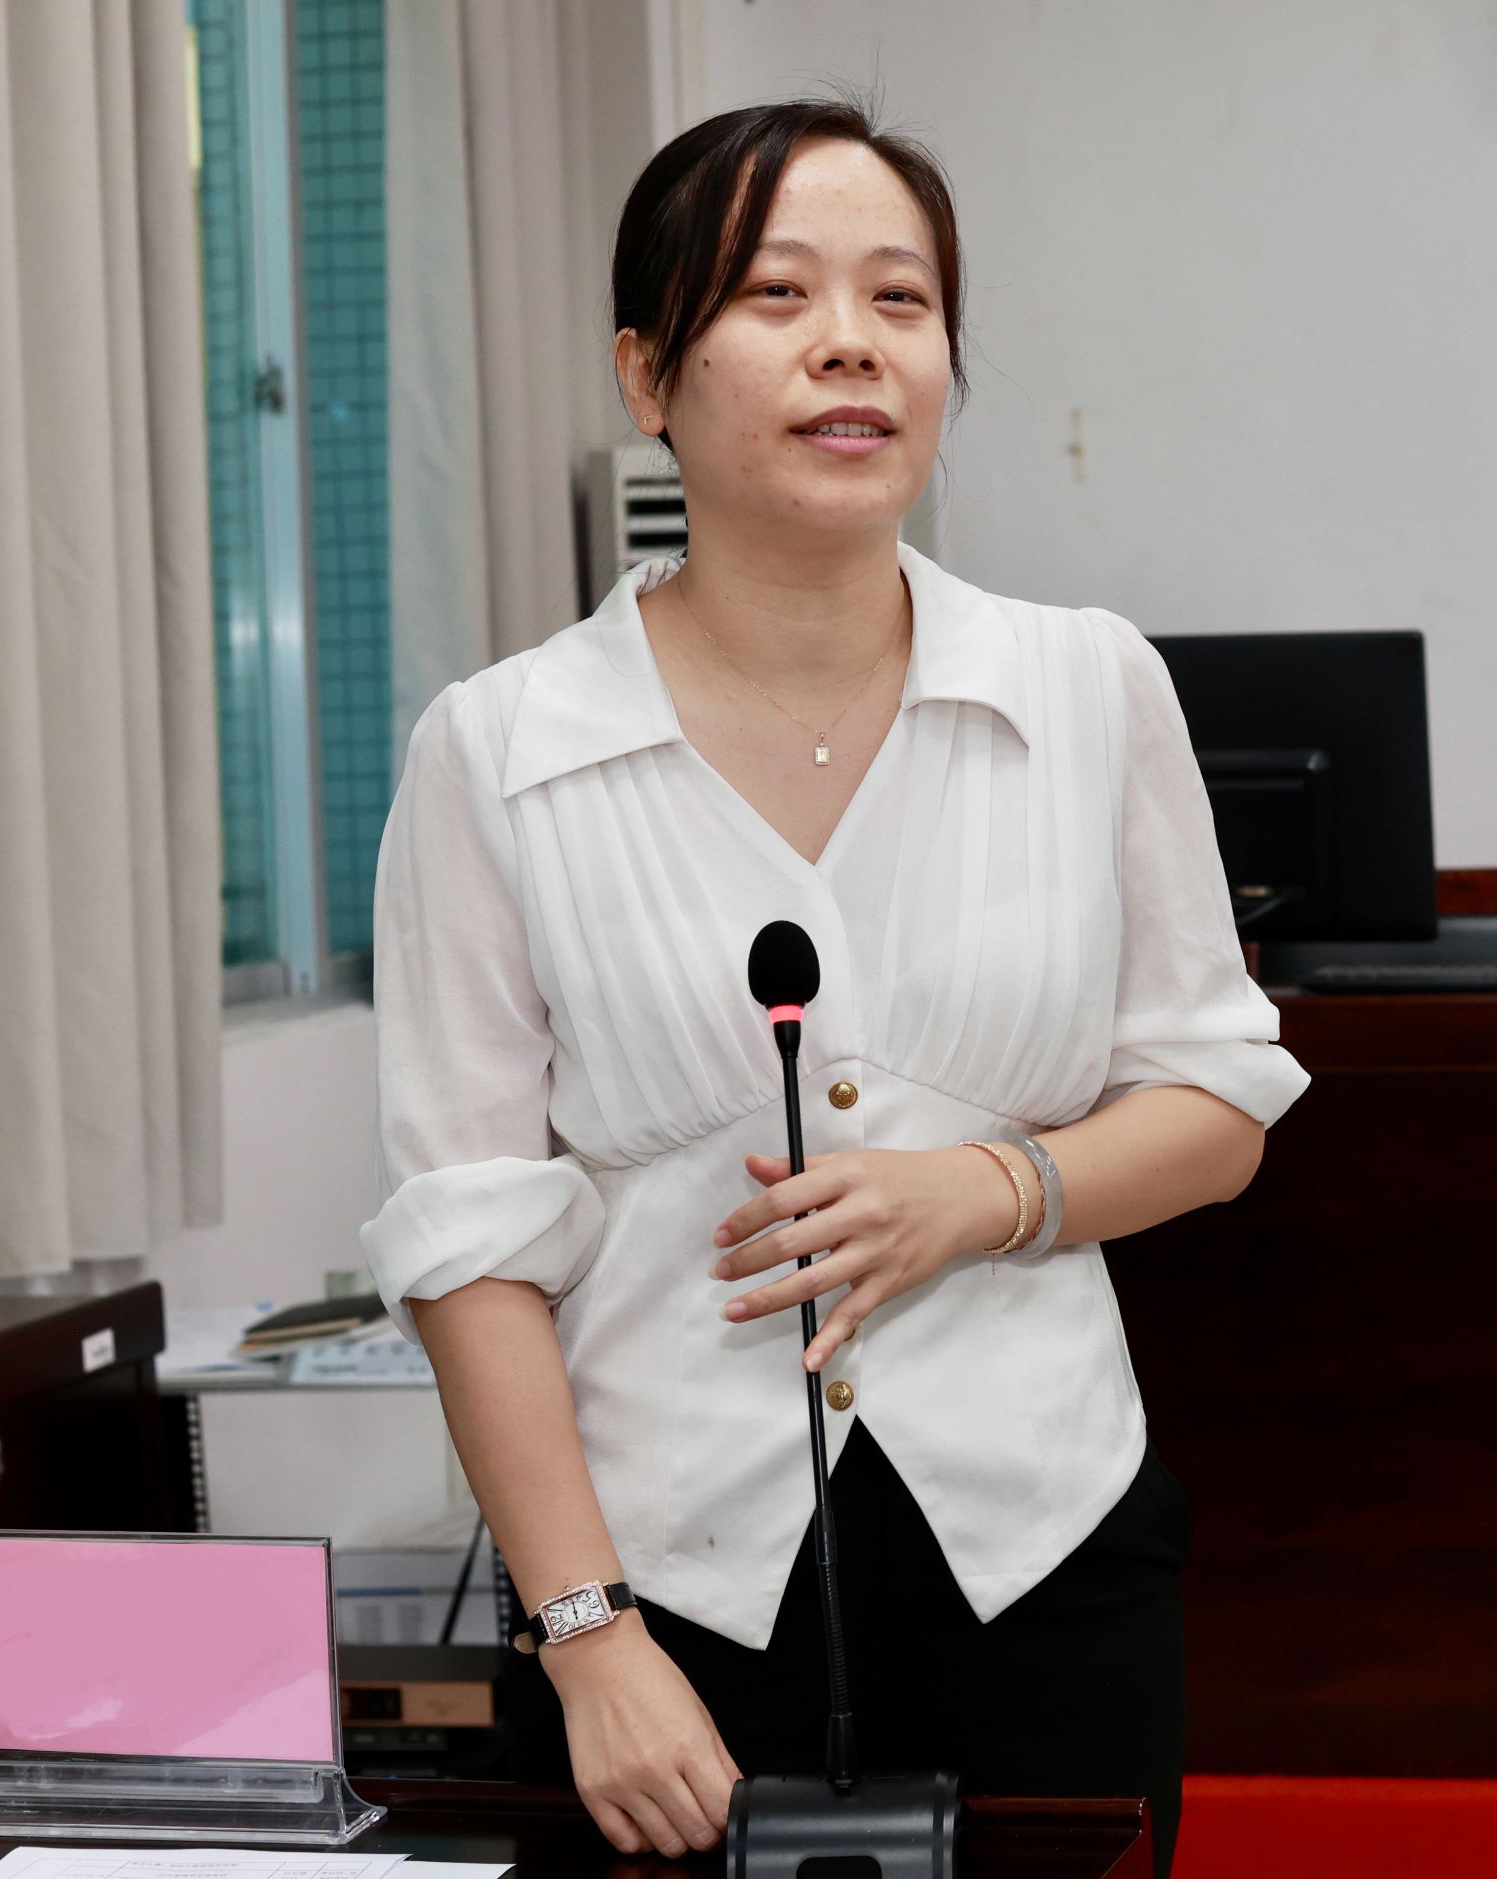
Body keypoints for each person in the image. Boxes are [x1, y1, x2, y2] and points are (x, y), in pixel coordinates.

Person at [359, 90, 1309, 1876]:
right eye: (778, 295)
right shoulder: (500, 750)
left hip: (1044, 1562)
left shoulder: (1087, 690)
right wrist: (587, 1637)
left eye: (902, 299)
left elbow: (1218, 1104)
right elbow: (467, 1239)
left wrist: (989, 1191)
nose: (853, 343)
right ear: (648, 376)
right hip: (662, 1606)